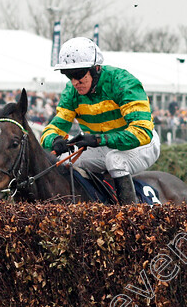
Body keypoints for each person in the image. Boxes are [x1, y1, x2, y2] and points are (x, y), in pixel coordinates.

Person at [41, 37, 160, 204]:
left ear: (96, 68)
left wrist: (99, 139)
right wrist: (54, 140)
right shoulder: (71, 92)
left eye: (78, 74)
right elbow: (51, 129)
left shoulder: (123, 82)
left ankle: (130, 215)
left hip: (141, 146)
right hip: (102, 146)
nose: (75, 82)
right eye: (68, 75)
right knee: (64, 159)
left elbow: (141, 132)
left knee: (115, 160)